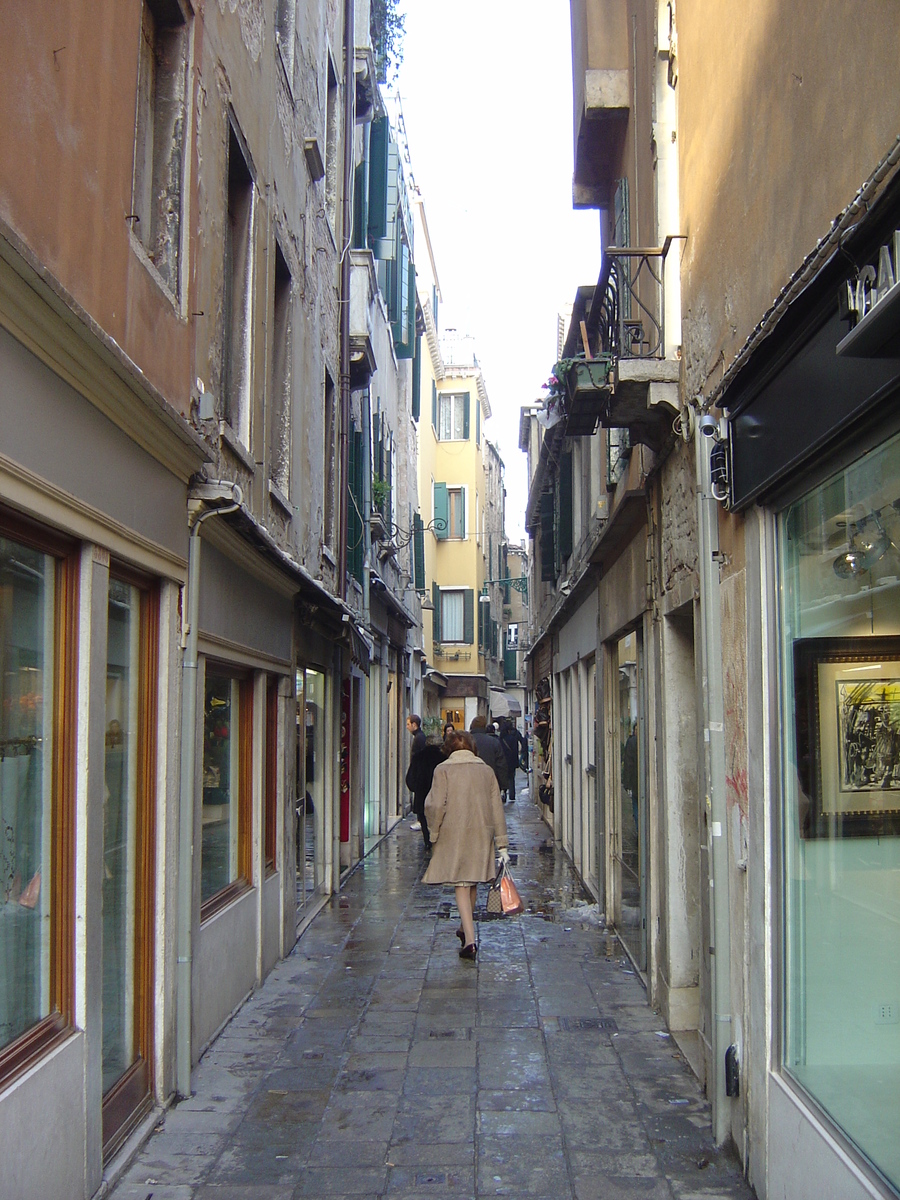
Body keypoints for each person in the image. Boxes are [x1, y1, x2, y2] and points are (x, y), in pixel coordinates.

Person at [423, 730, 509, 960]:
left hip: (453, 832)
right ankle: (464, 926)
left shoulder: (443, 770)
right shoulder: (486, 771)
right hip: (481, 832)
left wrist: (433, 832)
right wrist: (502, 843)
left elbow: (435, 805)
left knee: (461, 882)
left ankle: (470, 940)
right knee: (470, 881)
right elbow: (496, 807)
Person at [405, 738, 445, 851]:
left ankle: (427, 841)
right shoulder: (444, 758)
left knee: (424, 820)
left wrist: (416, 788)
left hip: (422, 795)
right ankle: (437, 841)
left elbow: (410, 779)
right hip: (439, 796)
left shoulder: (418, 757)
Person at [469, 715, 509, 798]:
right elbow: (501, 765)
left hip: (469, 782)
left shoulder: (465, 741)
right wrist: (503, 785)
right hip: (488, 781)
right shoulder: (493, 742)